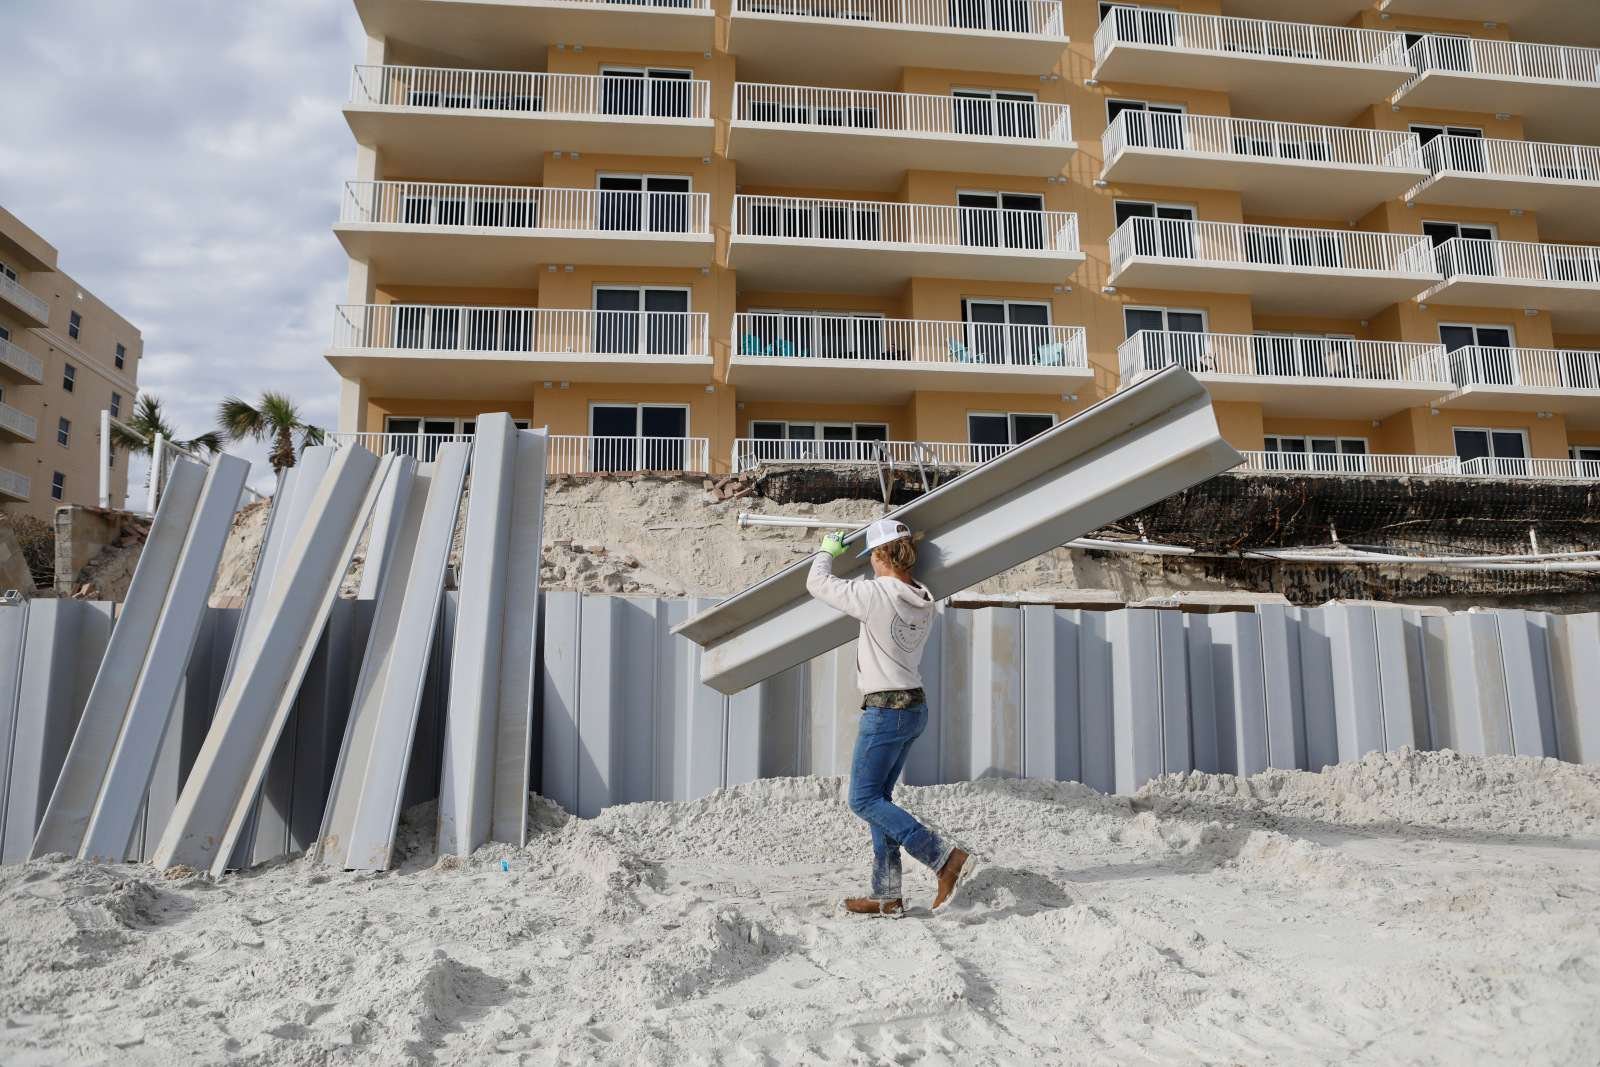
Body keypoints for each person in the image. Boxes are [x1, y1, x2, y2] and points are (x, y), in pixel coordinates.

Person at [806, 517, 971, 917]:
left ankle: (942, 858)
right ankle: (887, 895)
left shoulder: (875, 595)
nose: (869, 566)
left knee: (862, 799)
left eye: (871, 558)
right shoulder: (923, 597)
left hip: (885, 710)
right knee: (880, 799)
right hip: (913, 707)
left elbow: (817, 583)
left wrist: (827, 551)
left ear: (881, 555)